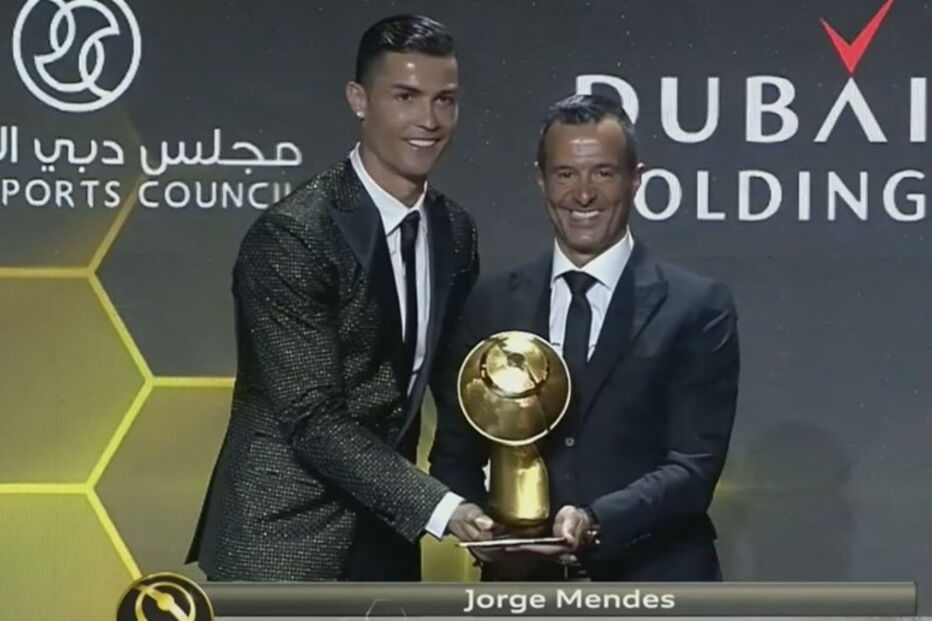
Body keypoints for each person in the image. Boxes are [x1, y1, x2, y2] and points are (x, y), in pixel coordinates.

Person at [186, 14, 495, 581]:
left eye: (445, 100)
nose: (428, 120)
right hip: (283, 540)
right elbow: (311, 417)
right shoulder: (294, 233)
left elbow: (457, 382)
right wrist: (446, 509)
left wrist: (491, 497)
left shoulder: (456, 230)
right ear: (359, 99)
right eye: (405, 96)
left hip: (387, 535)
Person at [430, 93, 740, 581]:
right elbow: (454, 452)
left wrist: (596, 521)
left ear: (635, 180)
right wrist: (474, 520)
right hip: (522, 592)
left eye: (603, 172)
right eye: (566, 174)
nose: (583, 194)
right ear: (541, 180)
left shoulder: (696, 307)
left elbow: (693, 467)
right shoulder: (488, 304)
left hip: (655, 587)